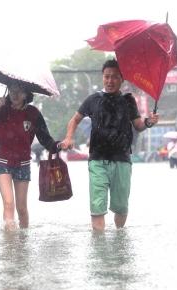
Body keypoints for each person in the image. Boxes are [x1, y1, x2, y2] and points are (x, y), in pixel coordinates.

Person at [60, 59, 159, 231]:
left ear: (122, 79)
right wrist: (69, 138)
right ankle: (100, 251)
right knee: (97, 207)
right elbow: (75, 120)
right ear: (102, 77)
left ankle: (118, 242)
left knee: (121, 208)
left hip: (122, 160)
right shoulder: (93, 100)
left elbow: (138, 125)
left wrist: (149, 122)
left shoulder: (128, 101)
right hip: (97, 160)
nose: (110, 81)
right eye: (107, 77)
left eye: (114, 77)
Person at [0, 81, 60, 231]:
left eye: (20, 91)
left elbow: (45, 139)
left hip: (23, 163)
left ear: (27, 94)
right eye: (12, 90)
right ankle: (10, 246)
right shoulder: (1, 109)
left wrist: (59, 146)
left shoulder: (33, 113)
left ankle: (23, 244)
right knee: (9, 203)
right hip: (1, 160)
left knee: (22, 208)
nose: (15, 94)